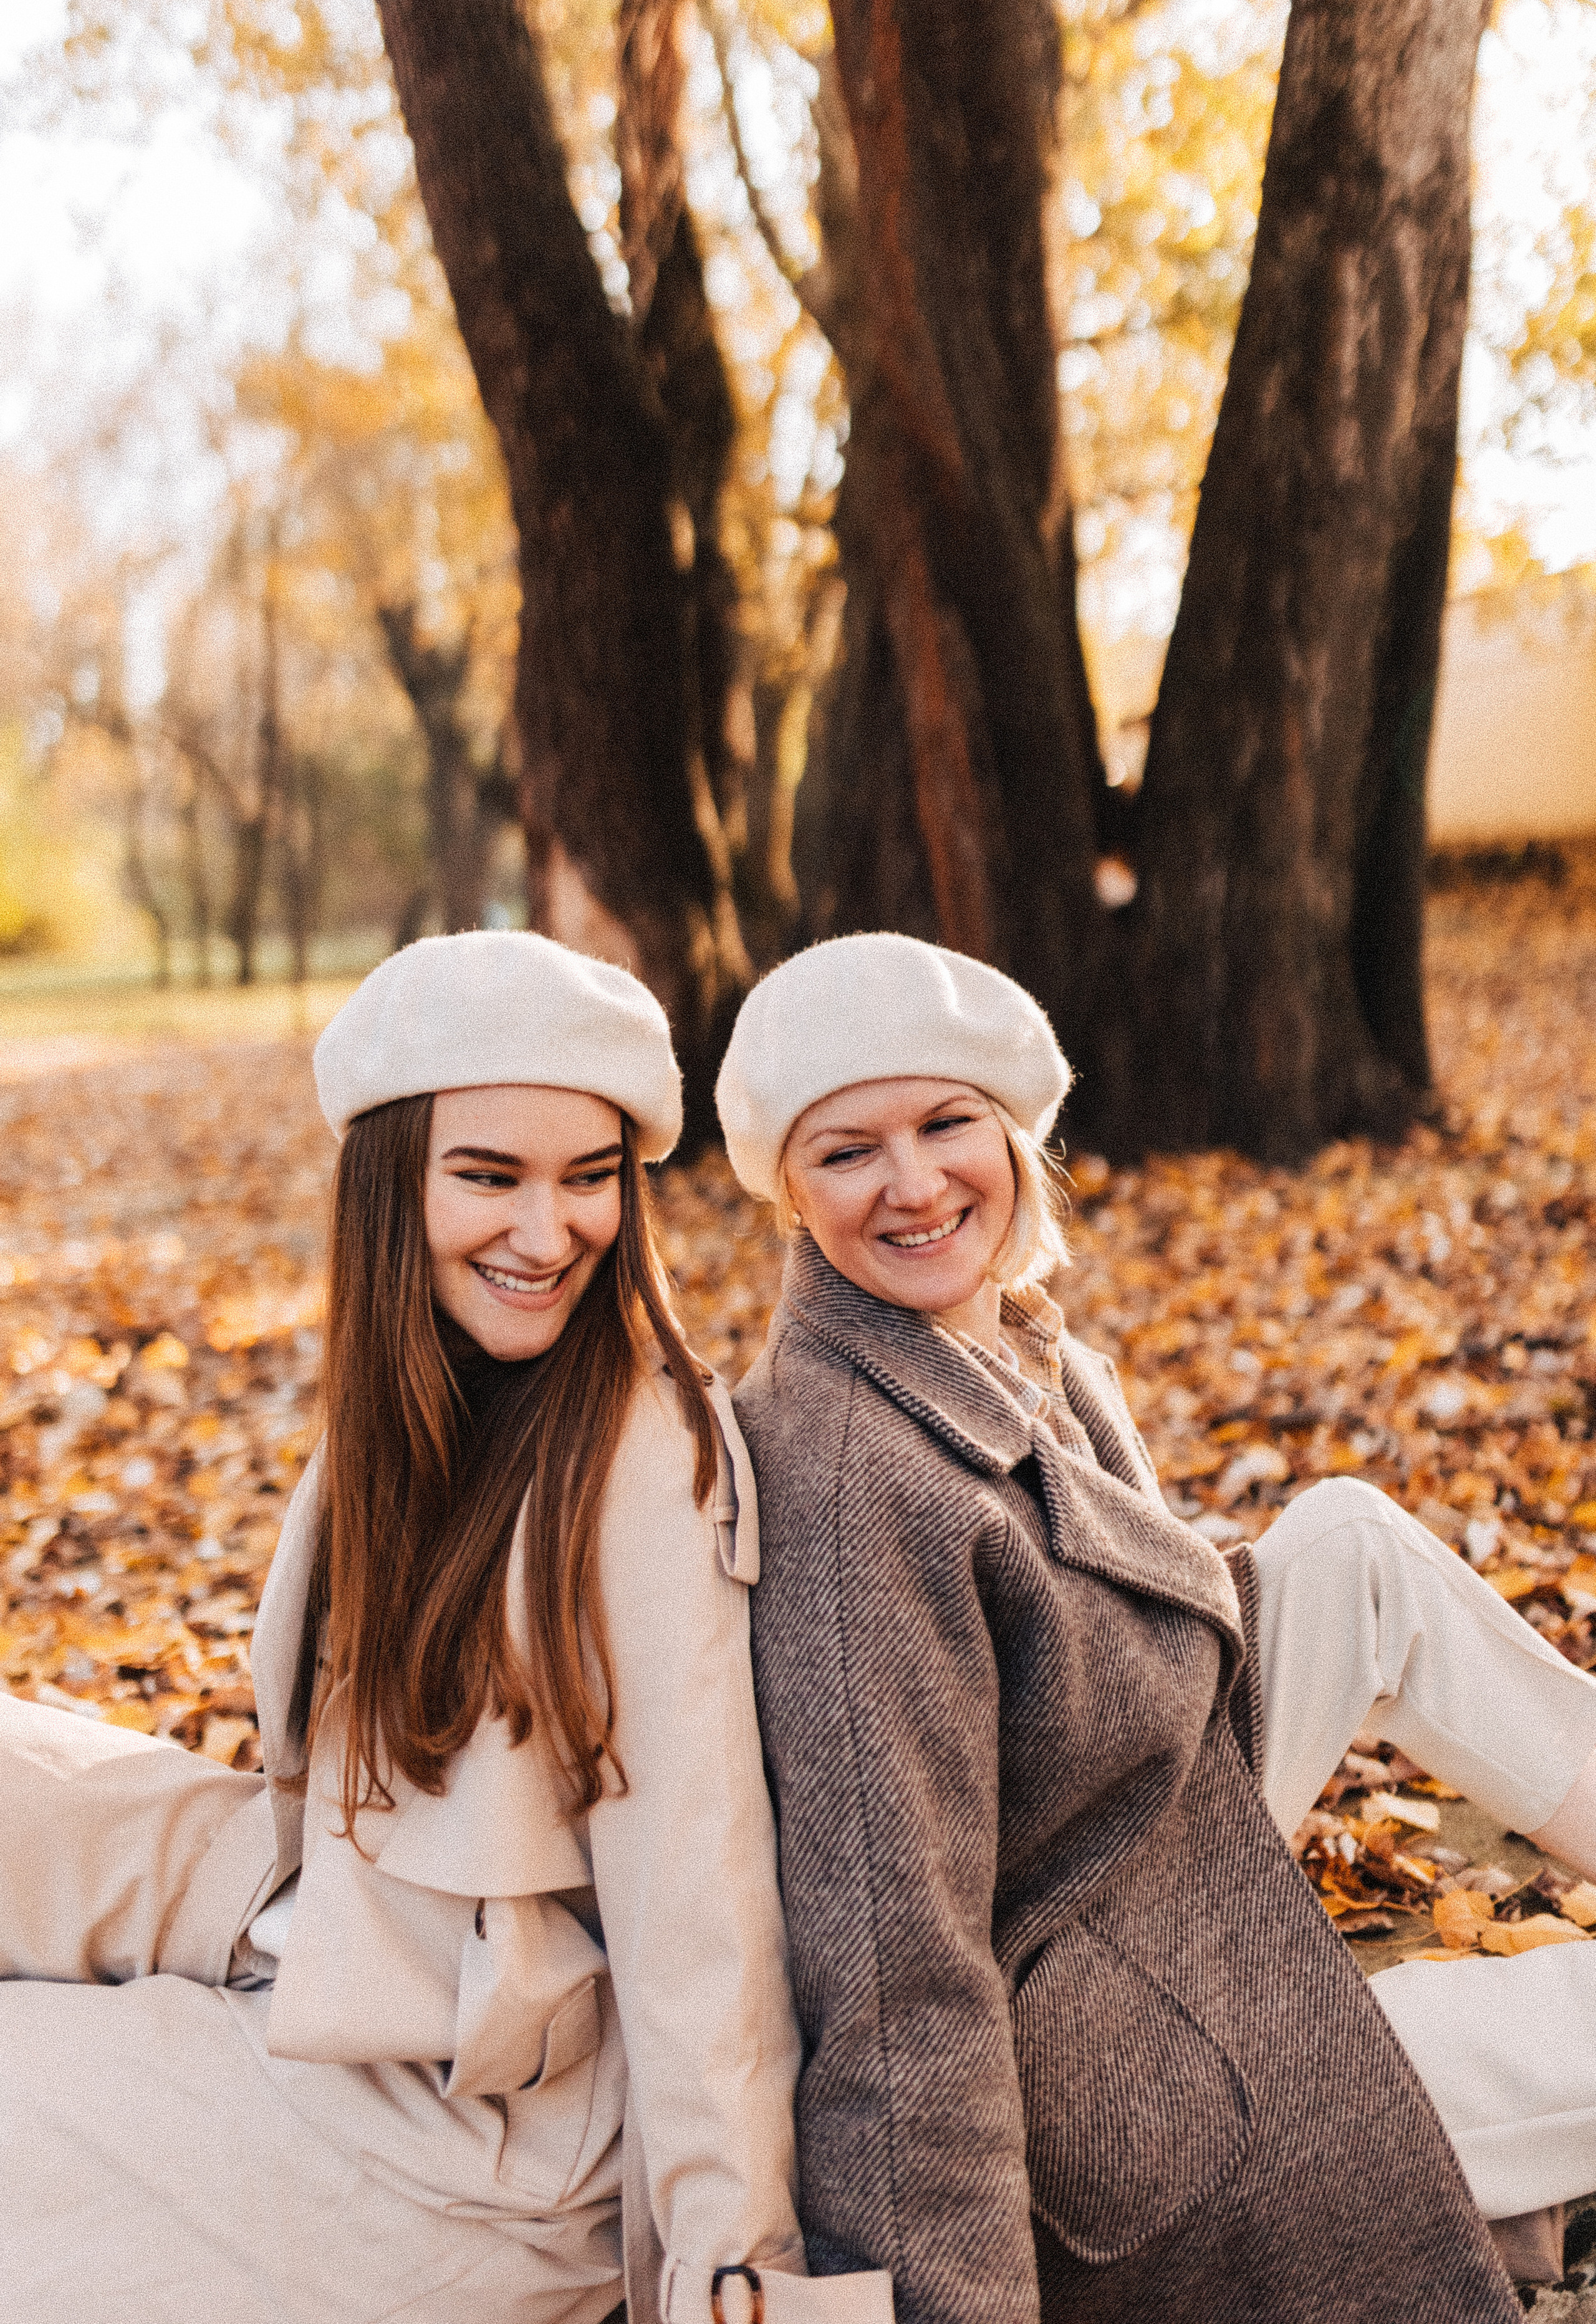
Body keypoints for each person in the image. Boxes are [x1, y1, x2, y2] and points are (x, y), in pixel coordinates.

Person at [0, 932, 888, 2324]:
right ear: (385, 1189)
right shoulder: (413, 1396)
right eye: (491, 1177)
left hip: (489, 2142)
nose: (548, 1235)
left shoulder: (642, 1455)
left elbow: (697, 1915)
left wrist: (739, 2283)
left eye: (589, 1180)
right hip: (328, 1941)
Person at [716, 929, 1596, 2324]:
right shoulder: (847, 1489)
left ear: (1011, 1129)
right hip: (1115, 2077)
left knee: (1348, 1541)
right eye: (845, 1151)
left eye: (946, 1122)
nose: (911, 1183)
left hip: (1144, 1831)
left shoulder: (990, 1337)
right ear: (784, 1188)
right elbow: (896, 1963)